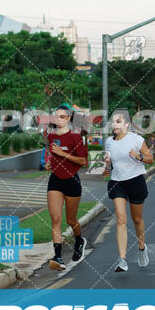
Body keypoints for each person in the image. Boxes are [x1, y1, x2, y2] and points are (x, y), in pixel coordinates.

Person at [103, 109, 154, 273]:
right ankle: (122, 259)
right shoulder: (109, 142)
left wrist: (138, 156)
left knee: (137, 219)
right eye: (113, 121)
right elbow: (108, 166)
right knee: (121, 219)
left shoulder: (137, 140)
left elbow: (150, 159)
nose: (114, 124)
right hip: (117, 182)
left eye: (118, 121)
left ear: (126, 124)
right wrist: (106, 163)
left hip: (136, 181)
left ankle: (141, 247)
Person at [45, 105, 88, 271]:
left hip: (72, 181)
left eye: (62, 116)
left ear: (68, 118)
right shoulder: (51, 136)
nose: (58, 119)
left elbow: (83, 162)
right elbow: (54, 155)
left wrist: (63, 155)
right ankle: (58, 257)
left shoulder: (75, 137)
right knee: (56, 219)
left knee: (71, 220)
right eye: (56, 116)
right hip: (55, 180)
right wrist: (51, 162)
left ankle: (79, 240)